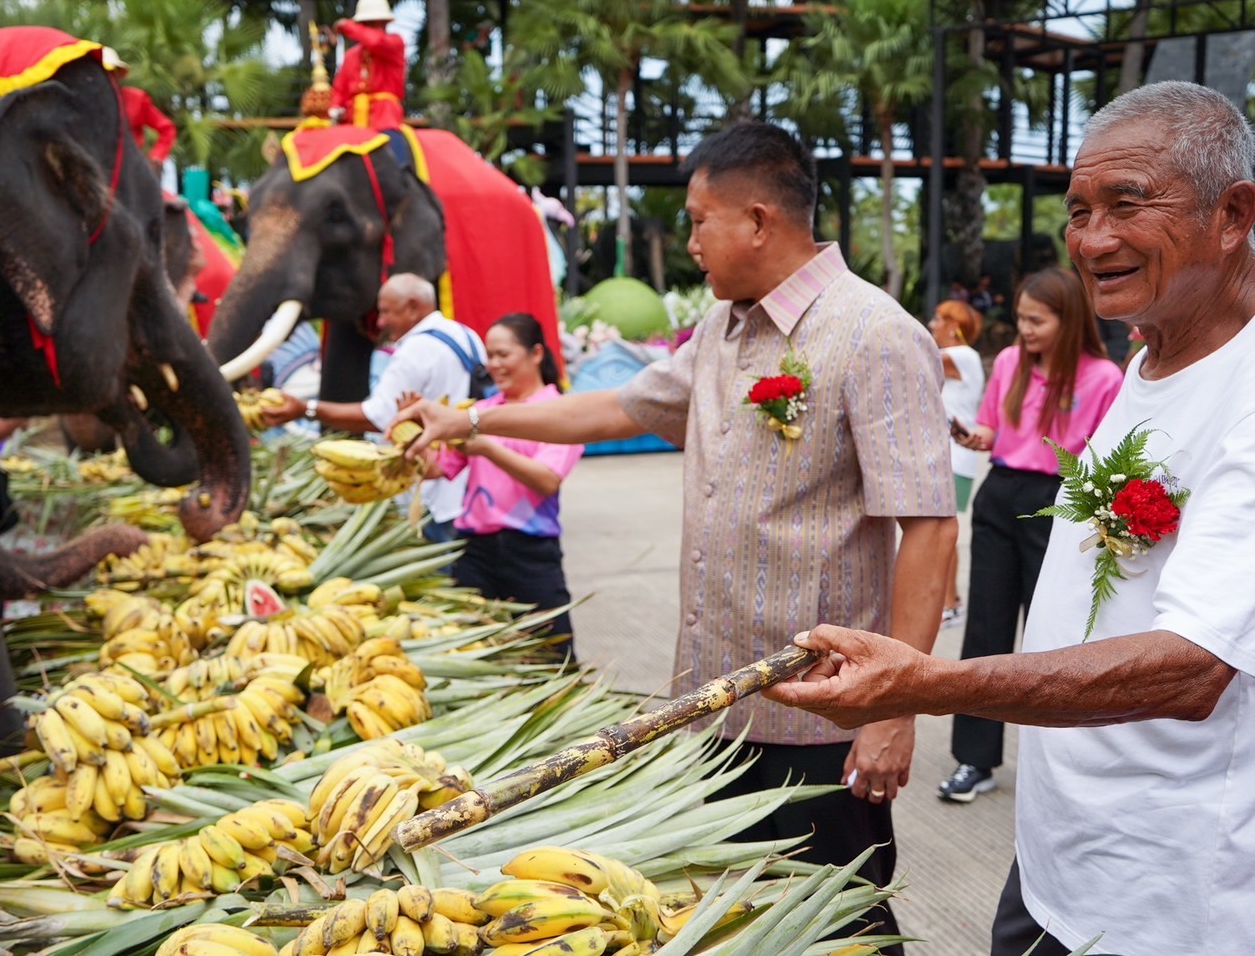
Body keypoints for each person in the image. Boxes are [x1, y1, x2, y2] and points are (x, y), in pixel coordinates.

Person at [764, 81, 1255, 956]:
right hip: (1070, 858)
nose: (1091, 241)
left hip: (1184, 894)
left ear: (1233, 212)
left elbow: (1192, 669)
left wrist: (920, 684)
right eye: (1078, 211)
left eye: (1127, 206)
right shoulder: (1155, 355)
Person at [395, 121, 957, 952]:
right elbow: (618, 407)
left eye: (698, 220)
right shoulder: (724, 331)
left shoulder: (873, 333)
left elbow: (930, 527)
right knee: (737, 921)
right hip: (712, 706)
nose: (688, 241)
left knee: (844, 922)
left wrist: (895, 709)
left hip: (820, 719)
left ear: (758, 221)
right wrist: (470, 418)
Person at [939, 268, 1122, 803]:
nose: (1025, 329)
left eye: (1036, 320)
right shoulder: (1013, 363)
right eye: (1020, 318)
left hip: (1058, 502)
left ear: (1069, 321)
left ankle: (1061, 764)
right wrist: (974, 436)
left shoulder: (1102, 377)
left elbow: (1104, 458)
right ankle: (975, 759)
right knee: (986, 630)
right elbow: (994, 427)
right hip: (1000, 495)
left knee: (1054, 634)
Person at [263, 273, 482, 543]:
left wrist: (304, 409)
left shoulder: (416, 350)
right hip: (463, 490)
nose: (381, 322)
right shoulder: (465, 335)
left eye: (386, 311)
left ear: (413, 307)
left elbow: (377, 417)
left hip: (426, 496)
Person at [429, 314, 581, 657]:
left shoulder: (559, 411)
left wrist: (486, 447)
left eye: (503, 354)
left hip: (530, 552)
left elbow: (547, 480)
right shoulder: (479, 410)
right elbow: (437, 468)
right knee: (475, 653)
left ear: (536, 353)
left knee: (551, 658)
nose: (493, 365)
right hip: (473, 552)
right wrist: (414, 433)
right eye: (489, 355)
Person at [929, 300, 985, 627]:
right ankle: (952, 601)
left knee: (942, 532)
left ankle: (949, 604)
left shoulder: (963, 355)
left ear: (953, 325)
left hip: (955, 456)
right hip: (952, 457)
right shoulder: (962, 359)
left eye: (937, 318)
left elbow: (914, 355)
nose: (932, 324)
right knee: (943, 531)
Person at [328, 0, 406, 130]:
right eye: (367, 23)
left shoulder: (395, 44)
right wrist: (335, 108)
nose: (373, 26)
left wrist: (347, 26)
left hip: (386, 118)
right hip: (352, 120)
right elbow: (340, 89)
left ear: (384, 23)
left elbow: (376, 42)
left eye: (376, 23)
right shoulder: (351, 55)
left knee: (394, 147)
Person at [102, 47, 176, 172]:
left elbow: (167, 128)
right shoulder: (85, 102)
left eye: (110, 71)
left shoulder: (136, 99)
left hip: (130, 170)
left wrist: (156, 157)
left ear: (117, 73)